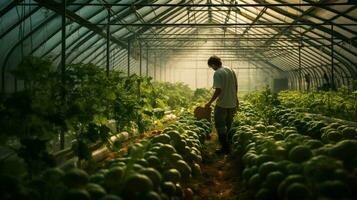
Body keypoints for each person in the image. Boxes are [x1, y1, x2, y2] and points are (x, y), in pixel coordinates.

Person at [205, 55, 239, 154]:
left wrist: (210, 102)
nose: (212, 69)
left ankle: (224, 148)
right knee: (229, 124)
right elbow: (236, 86)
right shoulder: (231, 70)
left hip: (222, 104)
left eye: (211, 67)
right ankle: (230, 146)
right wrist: (236, 99)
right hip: (232, 103)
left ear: (213, 64)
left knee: (220, 125)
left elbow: (218, 90)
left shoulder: (218, 73)